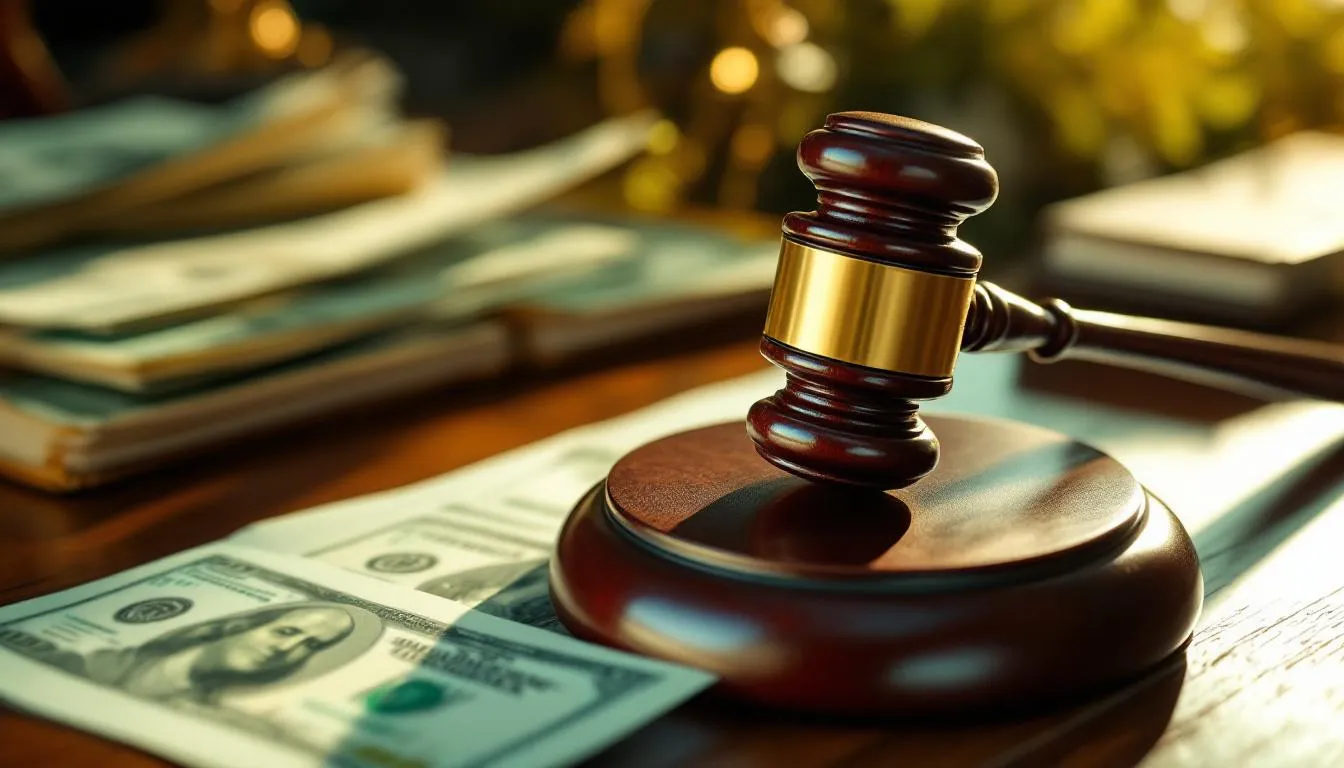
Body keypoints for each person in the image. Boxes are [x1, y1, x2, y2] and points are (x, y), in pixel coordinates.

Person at [55, 604, 355, 705]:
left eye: (312, 645)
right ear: (239, 626)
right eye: (286, 632)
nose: (286, 649)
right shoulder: (84, 661)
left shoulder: (203, 706)